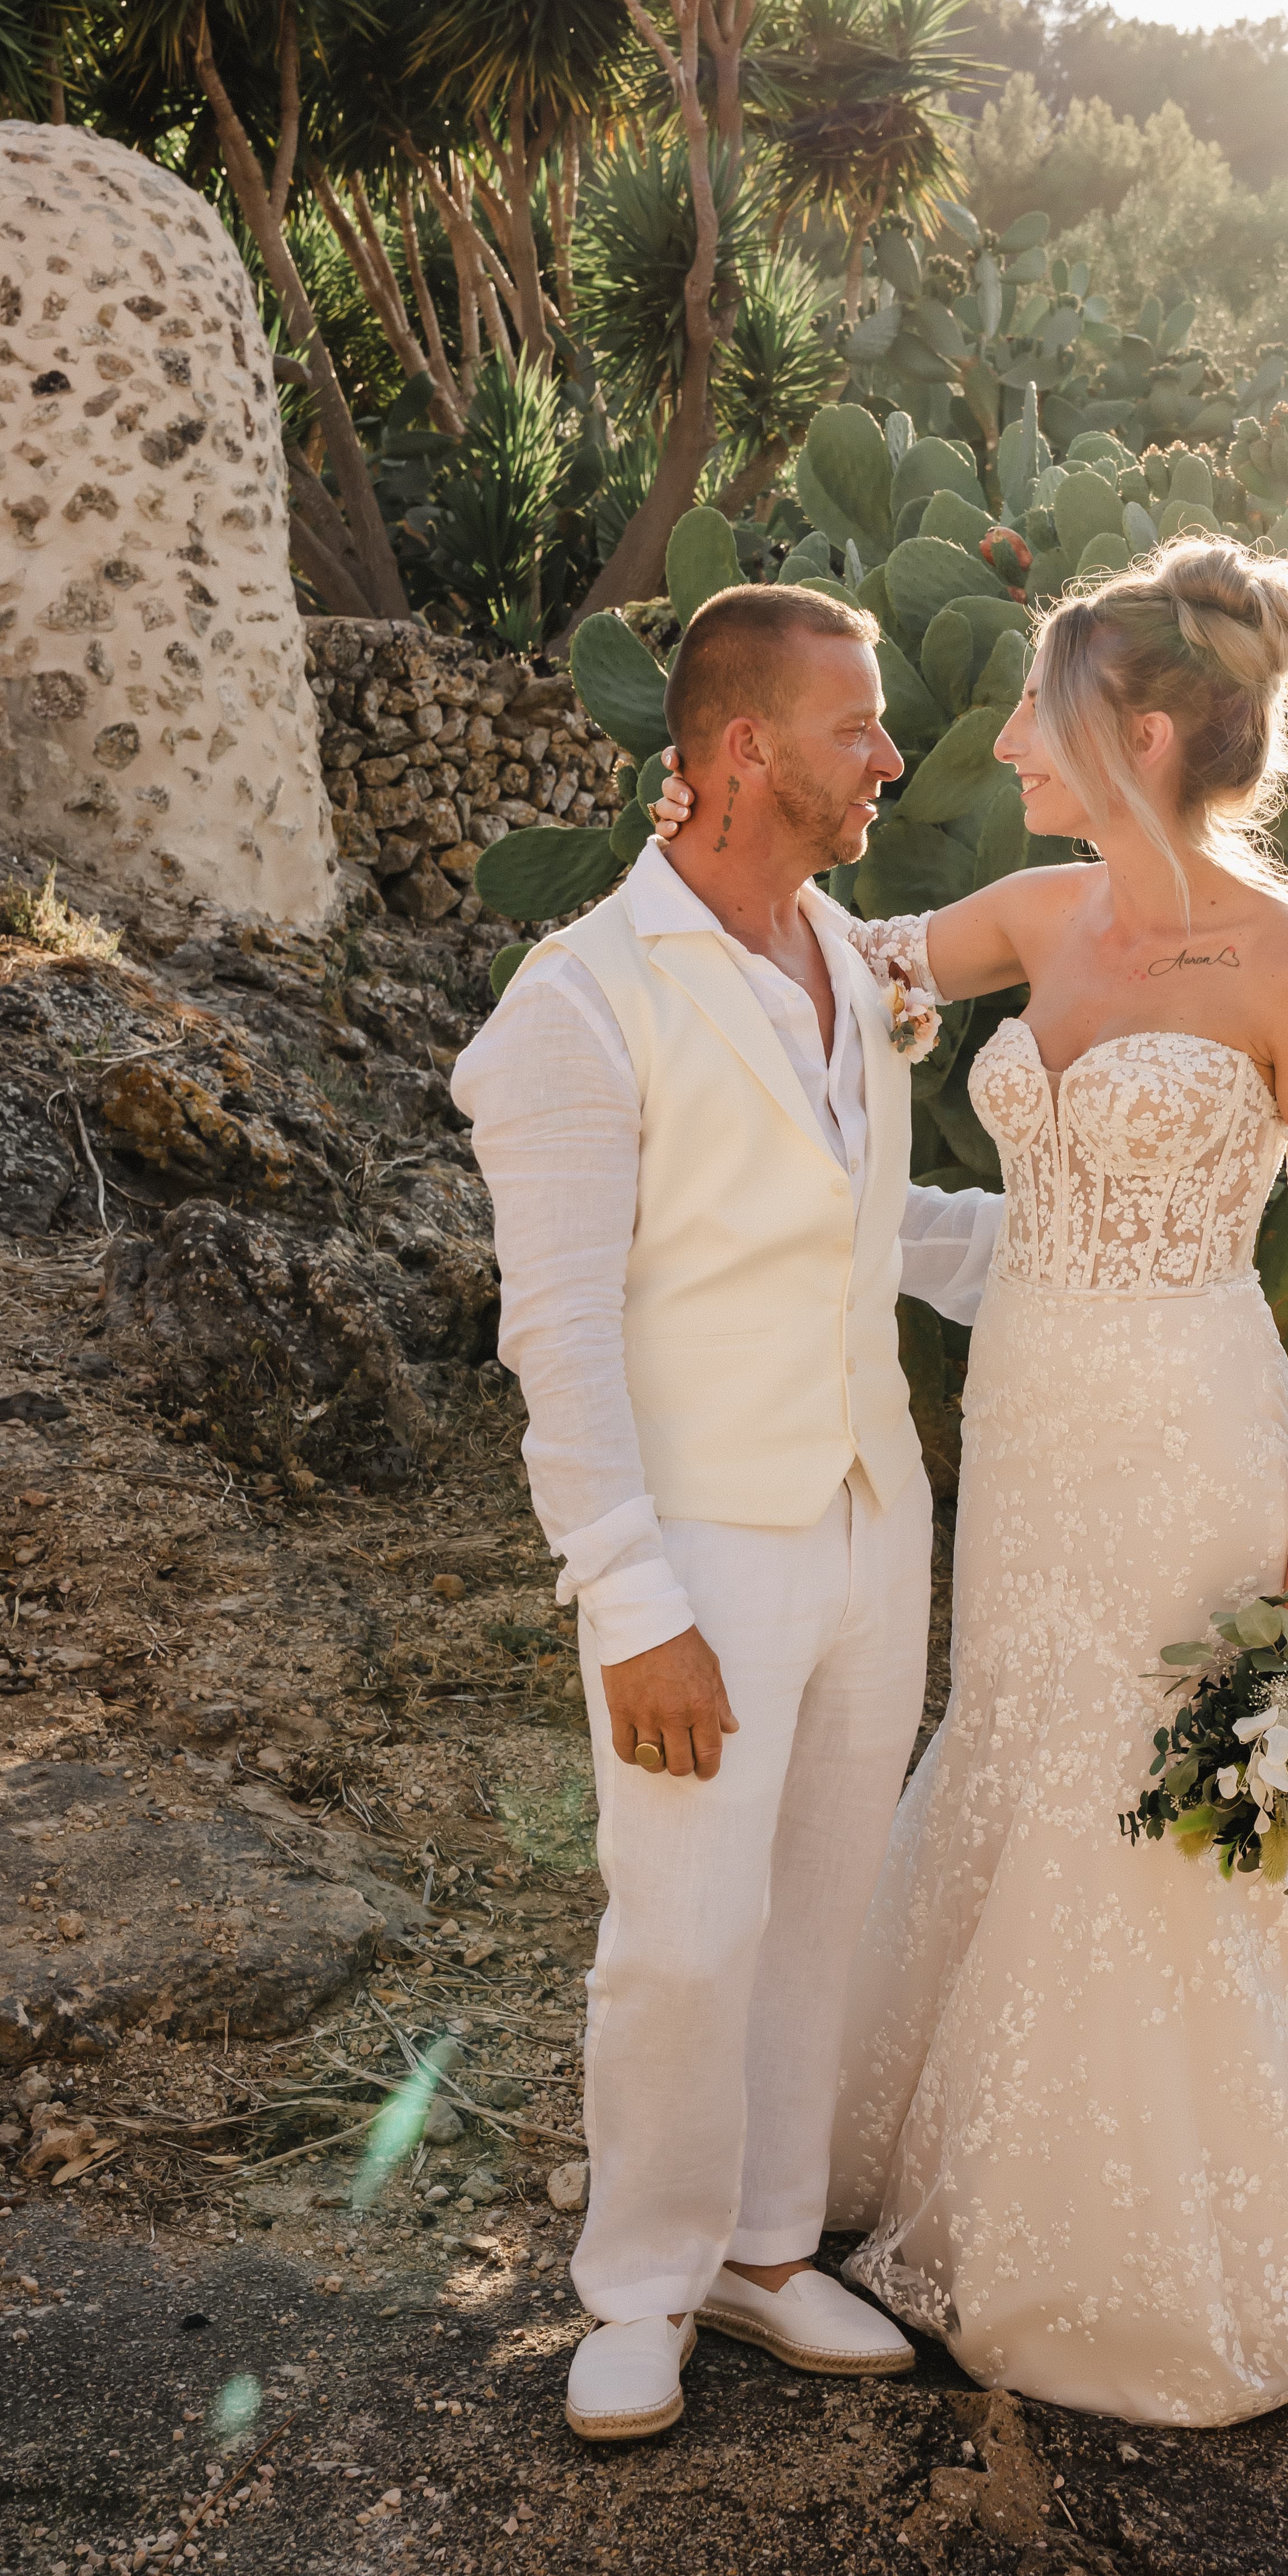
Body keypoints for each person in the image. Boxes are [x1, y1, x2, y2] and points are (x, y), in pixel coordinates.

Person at [655, 532, 1288, 2427]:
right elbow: (834, 968)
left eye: (1039, 702)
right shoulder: (1040, 914)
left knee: (1139, 1779)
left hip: (1191, 1422)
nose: (1005, 733)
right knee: (1015, 1734)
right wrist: (678, 905)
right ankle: (892, 2173)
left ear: (1131, 724)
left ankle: (1131, 2256)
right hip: (1025, 1412)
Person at [452, 583, 1002, 2442]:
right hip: (700, 1545)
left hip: (871, 1515)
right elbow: (560, 1336)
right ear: (743, 750)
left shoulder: (850, 962)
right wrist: (630, 1595)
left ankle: (771, 2255)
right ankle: (640, 2284)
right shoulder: (583, 1001)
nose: (889, 757)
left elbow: (869, 1231)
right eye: (858, 727)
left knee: (821, 1908)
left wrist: (1085, 1263)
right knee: (679, 1927)